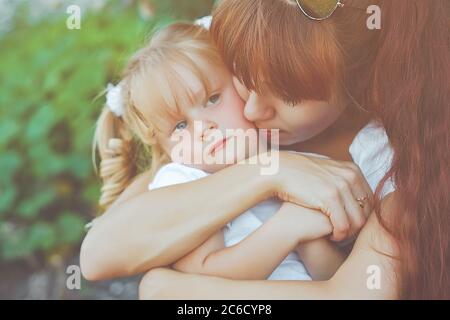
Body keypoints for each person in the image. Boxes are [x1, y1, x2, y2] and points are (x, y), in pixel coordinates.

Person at [81, 0, 449, 299]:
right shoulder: (215, 132)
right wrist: (273, 172)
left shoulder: (403, 162)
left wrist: (178, 292)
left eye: (286, 94)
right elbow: (98, 255)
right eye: (244, 76)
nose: (254, 110)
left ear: (358, 80)